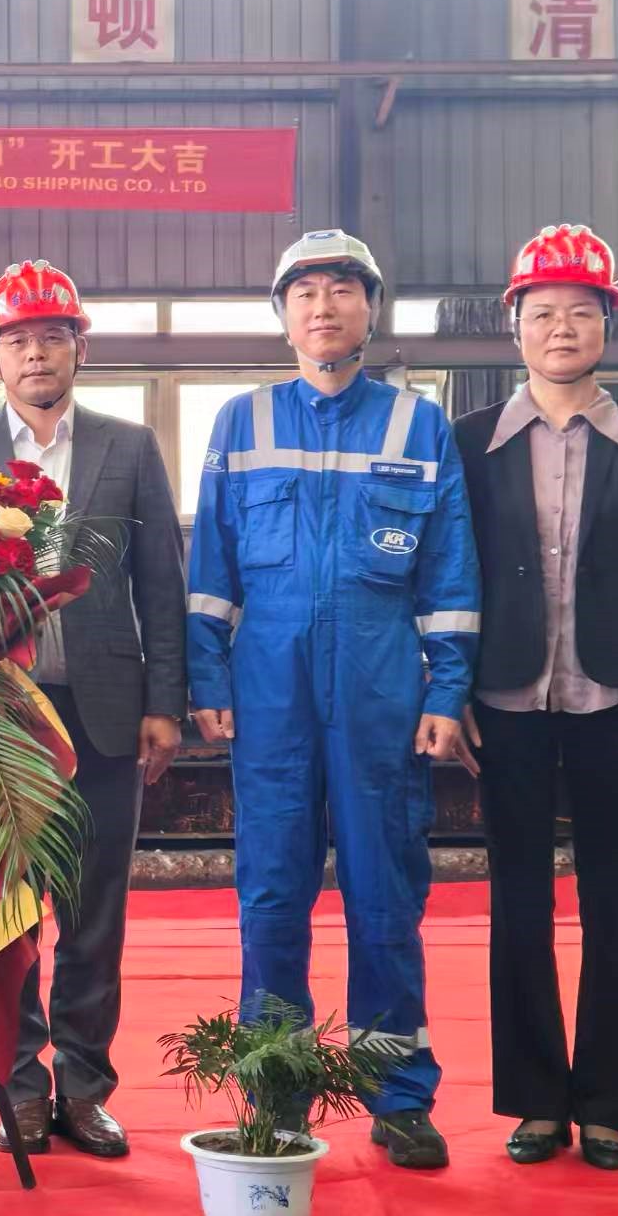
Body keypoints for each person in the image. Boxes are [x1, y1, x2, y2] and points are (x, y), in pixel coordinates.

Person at [186, 229, 476, 1170]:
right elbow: (211, 567)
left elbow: (449, 571)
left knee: (385, 892)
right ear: (282, 316)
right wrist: (207, 674)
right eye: (305, 291)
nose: (324, 305)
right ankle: (276, 1089)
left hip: (381, 686)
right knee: (272, 891)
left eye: (343, 288)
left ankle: (398, 1093)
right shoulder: (241, 422)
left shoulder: (417, 426)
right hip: (269, 690)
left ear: (370, 309)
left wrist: (448, 687)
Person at [451, 225, 618, 1171]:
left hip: (617, 694)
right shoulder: (470, 442)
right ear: (513, 324)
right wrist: (450, 687)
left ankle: (604, 1103)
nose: (562, 328)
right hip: (503, 693)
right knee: (517, 902)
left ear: (608, 325)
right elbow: (450, 573)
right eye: (544, 312)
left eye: (582, 312)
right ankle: (533, 1099)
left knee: (613, 903)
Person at [0, 262, 185, 1160]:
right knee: (3, 908)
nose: (34, 352)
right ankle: (22, 1087)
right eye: (16, 339)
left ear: (80, 347)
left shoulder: (129, 446)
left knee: (93, 908)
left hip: (106, 708)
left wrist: (166, 702)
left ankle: (84, 1088)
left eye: (50, 336)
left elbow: (162, 585)